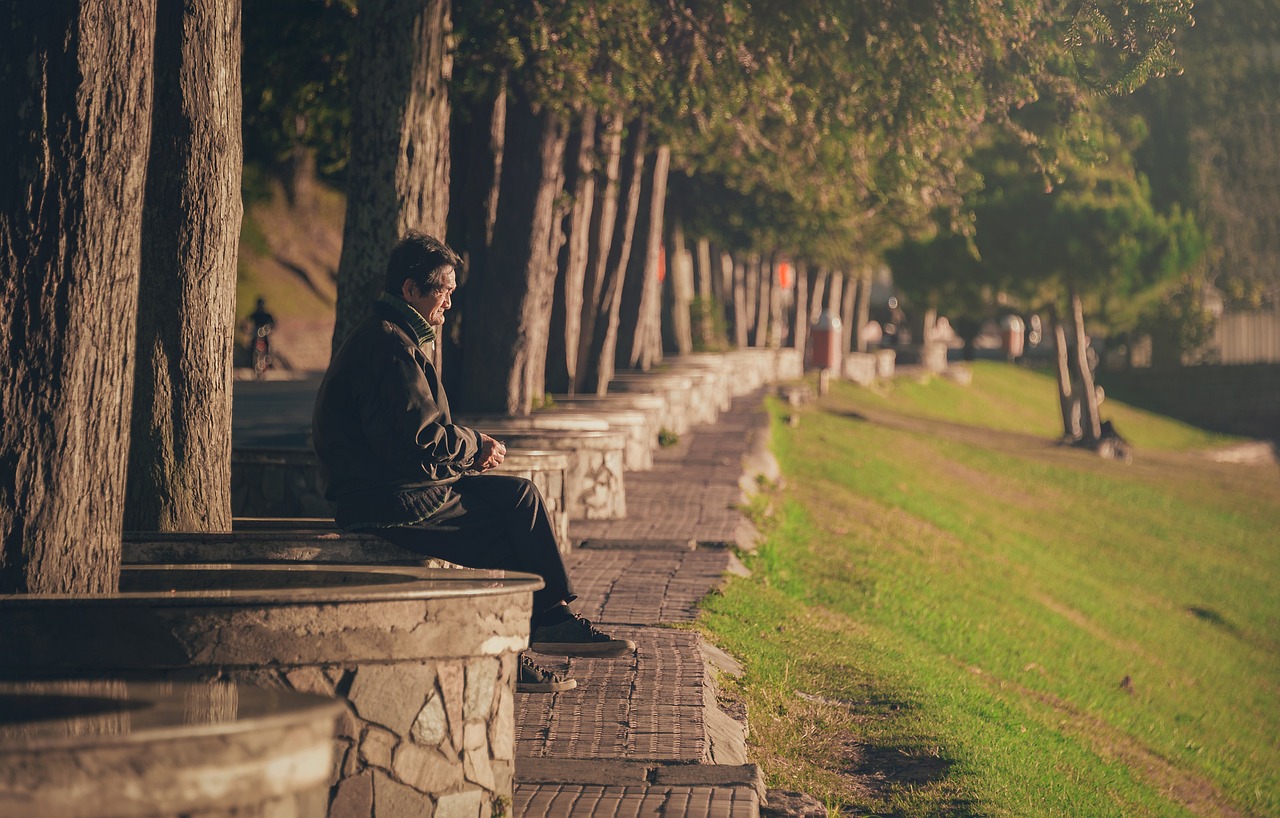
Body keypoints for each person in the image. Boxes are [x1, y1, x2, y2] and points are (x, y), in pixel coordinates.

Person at [312, 231, 633, 693]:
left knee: (519, 496)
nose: (448, 302)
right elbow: (417, 438)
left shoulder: (395, 337)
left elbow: (412, 437)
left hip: (403, 485)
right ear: (410, 290)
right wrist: (473, 447)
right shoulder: (388, 348)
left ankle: (551, 615)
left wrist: (468, 452)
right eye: (442, 290)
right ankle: (516, 653)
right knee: (504, 538)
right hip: (387, 499)